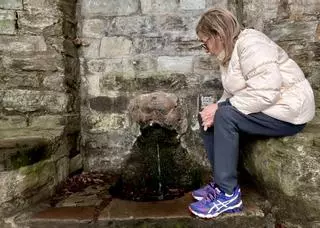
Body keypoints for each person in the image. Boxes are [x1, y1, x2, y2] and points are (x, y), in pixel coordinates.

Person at [188, 8, 315, 218]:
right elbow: (231, 93)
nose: (206, 49)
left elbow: (266, 92)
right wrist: (213, 109)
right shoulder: (228, 54)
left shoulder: (252, 45)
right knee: (207, 116)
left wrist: (220, 109)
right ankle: (221, 184)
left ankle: (229, 196)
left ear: (218, 35)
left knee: (224, 115)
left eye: (205, 42)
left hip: (289, 112)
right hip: (268, 107)